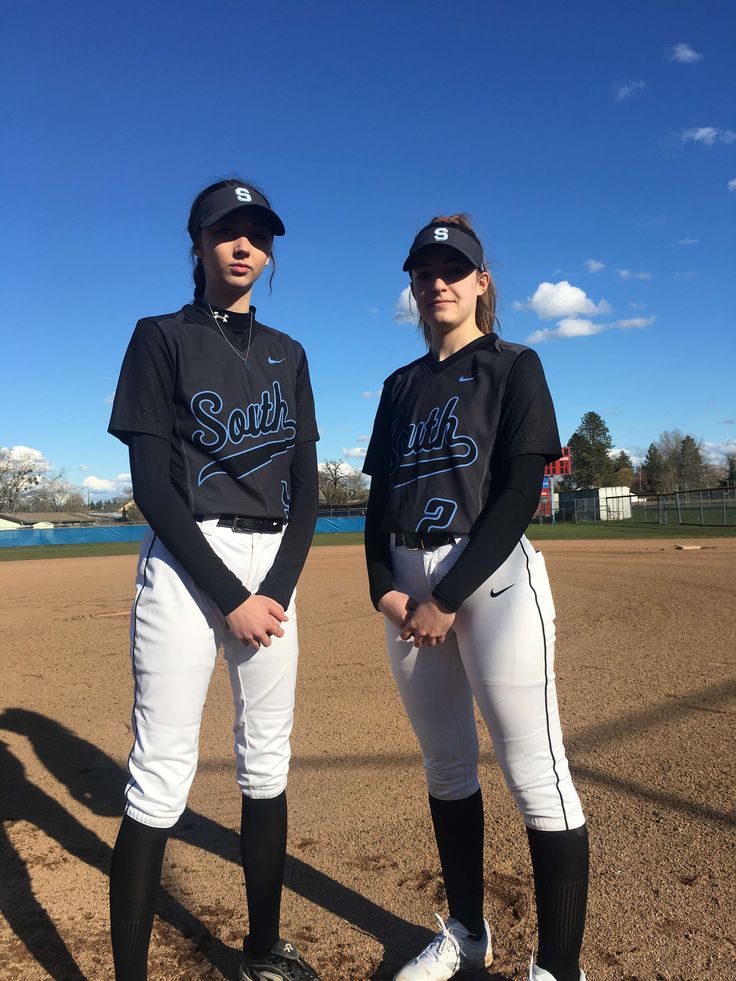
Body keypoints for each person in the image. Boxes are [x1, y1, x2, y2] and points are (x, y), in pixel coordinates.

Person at [363, 215, 589, 981]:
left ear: (481, 282)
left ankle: (558, 967)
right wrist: (384, 589)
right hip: (408, 585)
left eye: (453, 268)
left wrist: (449, 593)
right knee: (447, 766)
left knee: (536, 769)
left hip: (488, 579)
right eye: (425, 271)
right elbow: (376, 502)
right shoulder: (399, 386)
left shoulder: (515, 365)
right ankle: (465, 931)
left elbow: (522, 487)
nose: (437, 282)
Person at [107, 178, 322, 981]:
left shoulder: (289, 353)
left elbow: (306, 485)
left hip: (273, 570)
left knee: (267, 761)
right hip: (188, 562)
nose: (244, 246)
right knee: (161, 770)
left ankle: (264, 948)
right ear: (196, 243)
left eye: (258, 235)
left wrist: (277, 589)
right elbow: (151, 487)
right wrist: (230, 597)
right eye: (227, 231)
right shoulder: (159, 336)